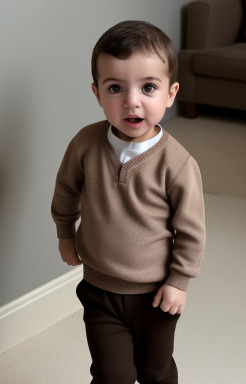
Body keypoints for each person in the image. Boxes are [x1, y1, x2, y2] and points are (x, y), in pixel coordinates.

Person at [51, 20, 206, 384]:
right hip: (99, 289)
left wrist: (179, 280)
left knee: (156, 371)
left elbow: (191, 230)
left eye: (148, 87)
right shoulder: (86, 144)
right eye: (116, 88)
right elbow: (66, 190)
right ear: (97, 93)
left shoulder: (178, 163)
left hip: (156, 295)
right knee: (111, 374)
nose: (132, 101)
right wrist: (65, 232)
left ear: (171, 94)